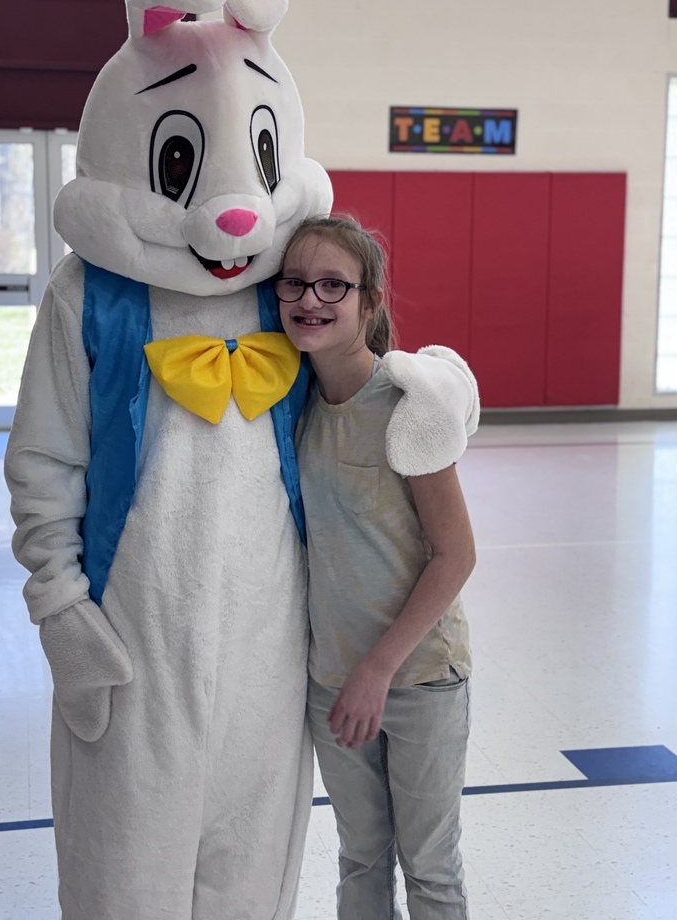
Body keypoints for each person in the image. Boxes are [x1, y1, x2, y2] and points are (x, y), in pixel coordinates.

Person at [274, 215, 477, 920]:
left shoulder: (406, 406)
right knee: (360, 859)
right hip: (332, 680)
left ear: (370, 302)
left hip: (416, 678)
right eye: (296, 282)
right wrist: (342, 673)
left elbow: (457, 555)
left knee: (428, 868)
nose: (312, 298)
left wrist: (377, 670)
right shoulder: (290, 405)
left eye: (335, 284)